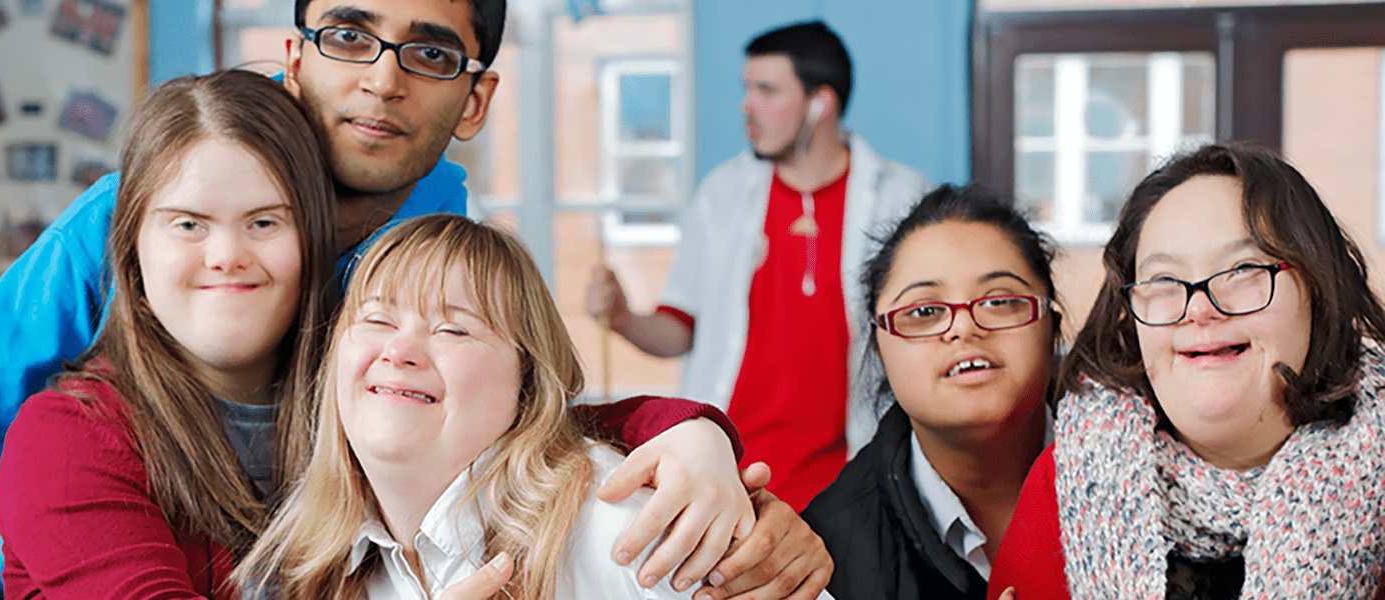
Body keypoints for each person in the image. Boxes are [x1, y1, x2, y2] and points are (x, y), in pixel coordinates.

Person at [0, 1, 832, 599]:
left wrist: (691, 439)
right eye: (350, 34)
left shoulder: (431, 228)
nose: (382, 81)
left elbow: (512, 402)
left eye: (429, 53)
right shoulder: (124, 221)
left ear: (474, 98)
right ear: (296, 56)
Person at [0, 71, 745, 600]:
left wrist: (689, 433)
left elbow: (497, 407)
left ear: (314, 241)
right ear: (132, 249)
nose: (225, 254)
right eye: (187, 224)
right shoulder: (69, 439)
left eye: (264, 221)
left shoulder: (345, 391)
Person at [242, 213, 745, 600]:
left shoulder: (623, 526)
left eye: (453, 329)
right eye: (377, 319)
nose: (400, 350)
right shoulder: (310, 568)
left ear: (526, 384)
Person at [988, 142, 1385, 599]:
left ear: (1318, 287)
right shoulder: (1067, 483)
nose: (1199, 309)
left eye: (1243, 269)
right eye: (1163, 281)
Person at [587, 20, 931, 510]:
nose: (746, 106)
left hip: (851, 490)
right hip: (730, 481)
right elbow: (678, 331)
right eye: (747, 89)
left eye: (767, 91)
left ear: (820, 103)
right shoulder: (722, 194)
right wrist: (622, 317)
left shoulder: (902, 198)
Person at [801, 185, 1057, 599]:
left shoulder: (1149, 476)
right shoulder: (826, 554)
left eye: (999, 301)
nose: (964, 328)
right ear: (878, 346)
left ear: (1051, 324)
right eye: (924, 311)